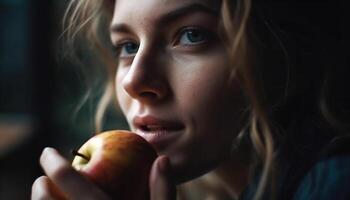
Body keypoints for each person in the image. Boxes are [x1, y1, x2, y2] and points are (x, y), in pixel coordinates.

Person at [31, 0, 350, 199]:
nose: (134, 81)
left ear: (280, 53)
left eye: (191, 35)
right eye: (128, 46)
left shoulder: (335, 183)